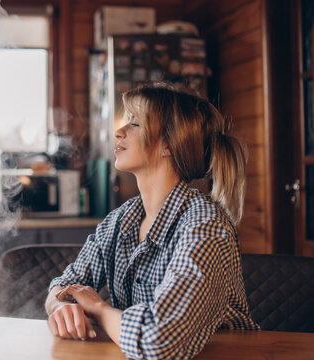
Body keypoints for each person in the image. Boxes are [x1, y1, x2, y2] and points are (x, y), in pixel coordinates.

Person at [45, 82, 260, 360]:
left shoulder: (205, 226)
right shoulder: (120, 220)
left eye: (135, 123)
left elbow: (160, 340)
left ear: (168, 145)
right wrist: (59, 307)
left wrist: (98, 309)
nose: (118, 131)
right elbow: (63, 285)